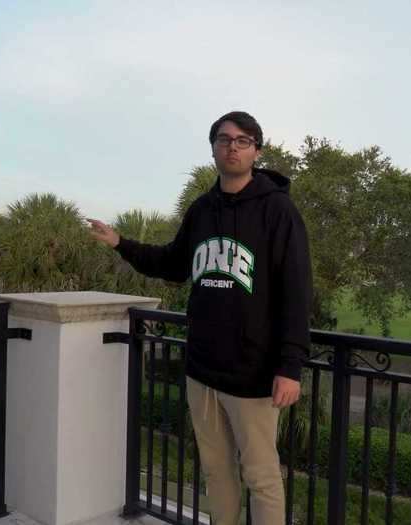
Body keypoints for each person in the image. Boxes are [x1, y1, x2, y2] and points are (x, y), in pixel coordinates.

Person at [88, 111, 312, 525]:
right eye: (225, 139)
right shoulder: (202, 210)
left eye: (243, 141)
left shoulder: (278, 211)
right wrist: (120, 242)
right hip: (203, 369)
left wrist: (290, 365)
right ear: (213, 147)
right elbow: (173, 263)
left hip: (255, 373)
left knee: (261, 477)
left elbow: (296, 292)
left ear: (256, 151)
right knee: (216, 471)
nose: (233, 147)